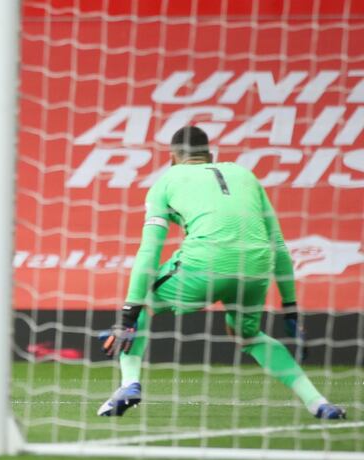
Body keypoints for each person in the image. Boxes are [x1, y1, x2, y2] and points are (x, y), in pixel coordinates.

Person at [98, 125, 346, 420]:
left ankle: (129, 385)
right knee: (247, 334)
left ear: (172, 158)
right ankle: (319, 403)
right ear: (210, 154)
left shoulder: (166, 181)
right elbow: (278, 244)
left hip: (204, 265)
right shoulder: (245, 175)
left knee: (143, 306)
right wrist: (290, 306)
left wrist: (128, 313)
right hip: (256, 268)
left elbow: (149, 251)